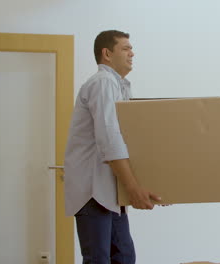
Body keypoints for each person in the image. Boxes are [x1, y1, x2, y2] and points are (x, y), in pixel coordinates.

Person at [64, 30, 161, 264]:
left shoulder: (120, 86)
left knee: (125, 256)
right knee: (99, 259)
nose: (132, 53)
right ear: (107, 54)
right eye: (125, 48)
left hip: (111, 191)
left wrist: (153, 183)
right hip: (94, 191)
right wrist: (133, 187)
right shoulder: (103, 82)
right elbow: (110, 138)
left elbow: (130, 142)